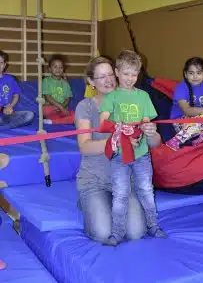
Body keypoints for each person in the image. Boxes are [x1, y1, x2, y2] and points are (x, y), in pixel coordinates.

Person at [75, 56, 162, 245]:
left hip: (124, 178)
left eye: (109, 74)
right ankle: (87, 202)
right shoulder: (86, 106)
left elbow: (154, 143)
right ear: (91, 82)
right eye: (101, 77)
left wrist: (151, 132)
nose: (108, 80)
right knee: (102, 232)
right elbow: (85, 146)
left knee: (136, 232)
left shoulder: (135, 99)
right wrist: (117, 142)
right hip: (95, 180)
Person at [99, 50, 167, 246]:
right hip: (119, 155)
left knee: (146, 189)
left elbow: (147, 122)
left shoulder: (143, 96)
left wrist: (147, 129)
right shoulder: (112, 97)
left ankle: (153, 225)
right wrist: (122, 132)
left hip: (141, 154)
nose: (130, 79)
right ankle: (117, 233)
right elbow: (104, 123)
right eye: (126, 73)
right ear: (117, 72)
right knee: (120, 193)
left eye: (134, 74)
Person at [0, 50, 34, 130]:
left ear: (5, 65)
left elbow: (16, 95)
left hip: (6, 115)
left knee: (30, 115)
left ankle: (6, 127)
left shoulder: (10, 79)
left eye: (1, 63)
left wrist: (10, 106)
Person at [42, 54, 74, 124]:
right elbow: (48, 97)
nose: (58, 69)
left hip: (61, 109)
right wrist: (60, 107)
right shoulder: (46, 81)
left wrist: (62, 107)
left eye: (61, 67)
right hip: (50, 107)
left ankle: (52, 121)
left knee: (76, 116)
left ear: (63, 69)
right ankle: (56, 120)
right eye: (55, 67)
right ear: (50, 69)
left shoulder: (65, 83)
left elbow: (67, 98)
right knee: (45, 109)